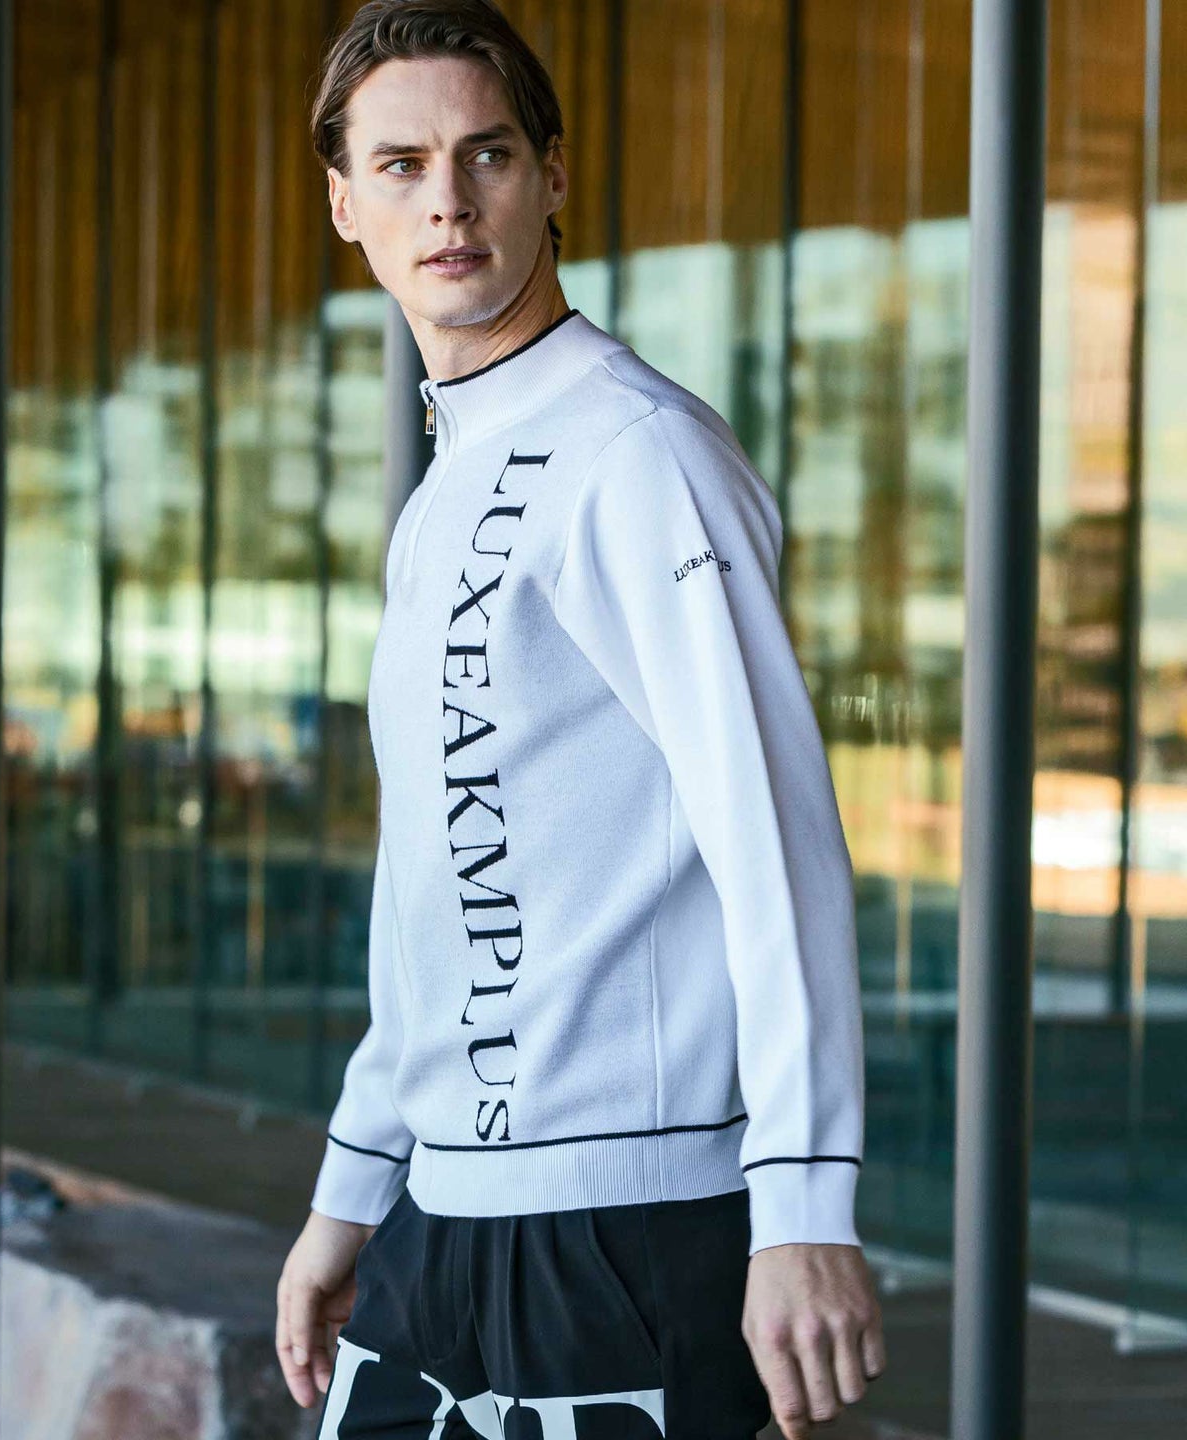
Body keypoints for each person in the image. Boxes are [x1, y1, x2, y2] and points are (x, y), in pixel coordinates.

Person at [276, 3, 886, 1436]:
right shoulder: (445, 494)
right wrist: (350, 1190)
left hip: (630, 1228)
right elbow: (434, 886)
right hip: (440, 1222)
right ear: (346, 204)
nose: (448, 201)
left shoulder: (639, 455)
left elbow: (777, 842)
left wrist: (804, 1204)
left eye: (486, 154)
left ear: (550, 176)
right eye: (403, 164)